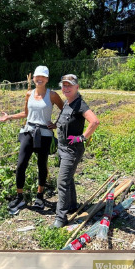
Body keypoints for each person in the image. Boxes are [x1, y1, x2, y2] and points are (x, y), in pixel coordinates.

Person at [0, 66, 64, 214]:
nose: (39, 79)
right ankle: (19, 196)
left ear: (47, 79)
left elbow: (64, 110)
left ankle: (40, 196)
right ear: (33, 78)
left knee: (42, 165)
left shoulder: (52, 95)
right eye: (37, 76)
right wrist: (10, 116)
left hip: (45, 134)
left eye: (43, 77)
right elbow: (26, 114)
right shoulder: (29, 94)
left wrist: (57, 123)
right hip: (28, 131)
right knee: (21, 164)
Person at [52, 74, 100, 228]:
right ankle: (72, 205)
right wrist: (54, 125)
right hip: (62, 147)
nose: (66, 88)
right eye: (64, 85)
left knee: (62, 181)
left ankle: (61, 217)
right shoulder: (68, 102)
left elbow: (95, 121)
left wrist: (82, 138)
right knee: (69, 177)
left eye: (69, 85)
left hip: (72, 150)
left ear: (77, 87)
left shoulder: (80, 104)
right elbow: (66, 122)